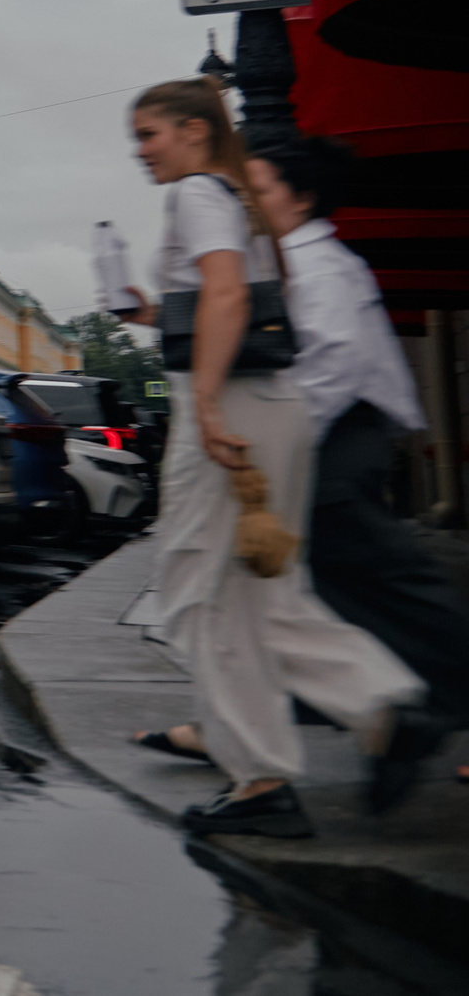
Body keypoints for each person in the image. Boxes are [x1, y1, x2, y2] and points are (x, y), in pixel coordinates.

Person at [118, 79, 431, 836]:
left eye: (149, 134)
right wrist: (154, 313)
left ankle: (264, 781)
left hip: (234, 406)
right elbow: (241, 301)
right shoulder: (242, 200)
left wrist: (210, 403)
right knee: (271, 594)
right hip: (278, 405)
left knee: (198, 593)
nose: (141, 152)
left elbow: (226, 298)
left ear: (193, 129)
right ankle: (384, 707)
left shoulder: (196, 190)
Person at [248, 138, 469, 734]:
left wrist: (283, 441)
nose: (248, 201)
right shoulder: (293, 261)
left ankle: (418, 709)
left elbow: (334, 362)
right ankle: (348, 710)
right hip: (333, 435)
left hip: (338, 436)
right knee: (332, 584)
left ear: (301, 198)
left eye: (260, 189)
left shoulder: (318, 265)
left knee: (392, 581)